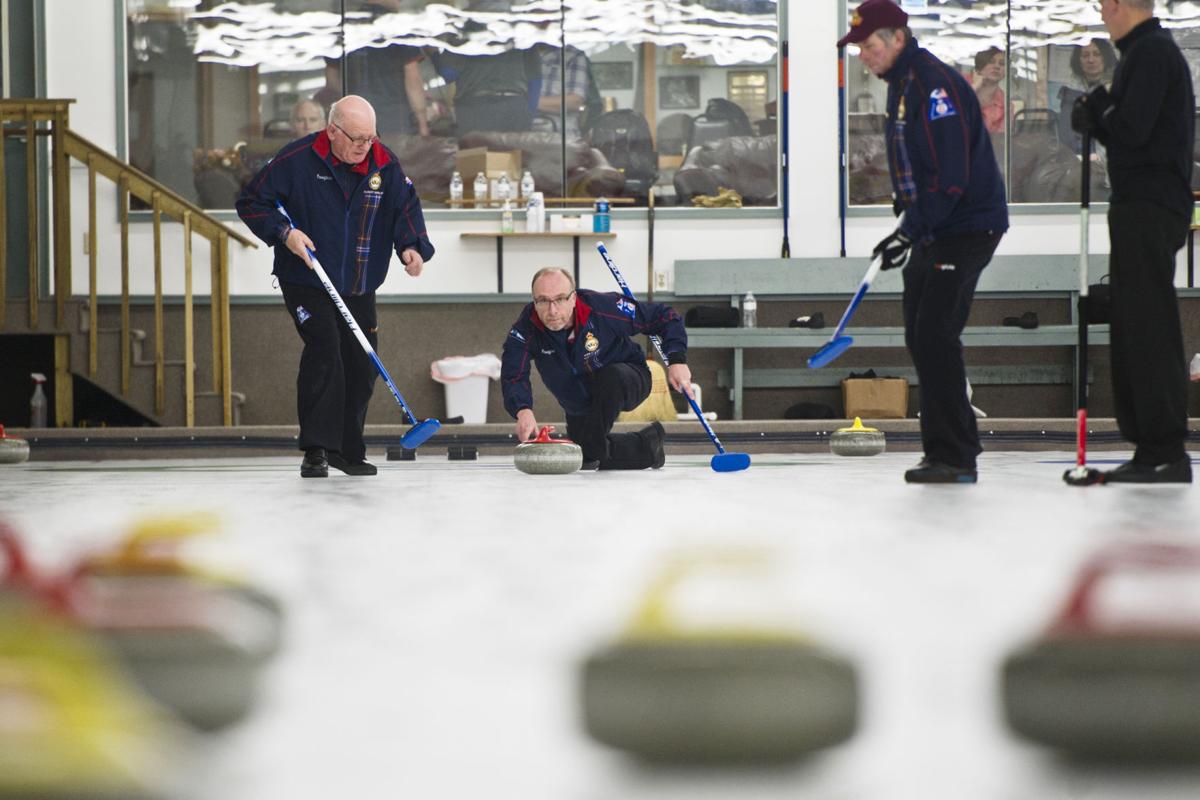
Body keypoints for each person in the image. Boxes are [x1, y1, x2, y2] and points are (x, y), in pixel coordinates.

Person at [838, 0, 1008, 484]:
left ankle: (955, 455)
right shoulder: (903, 83)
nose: (864, 56)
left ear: (897, 38)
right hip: (939, 226)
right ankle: (945, 449)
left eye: (869, 46)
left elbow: (950, 175)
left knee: (935, 333)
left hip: (966, 225)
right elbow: (919, 166)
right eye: (859, 48)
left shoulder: (932, 84)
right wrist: (907, 225)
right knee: (920, 331)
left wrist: (909, 231)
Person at [236, 95, 435, 478]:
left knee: (361, 364)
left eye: (370, 138)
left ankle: (345, 450)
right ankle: (316, 450)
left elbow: (405, 207)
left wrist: (411, 247)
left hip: (359, 281)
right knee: (325, 349)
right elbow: (252, 202)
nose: (365, 146)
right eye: (357, 138)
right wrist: (285, 233)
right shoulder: (297, 160)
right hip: (307, 278)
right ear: (332, 131)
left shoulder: (384, 163)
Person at [1070, 0, 1194, 483]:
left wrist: (1098, 108)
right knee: (1133, 325)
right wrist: (1097, 117)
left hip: (1149, 204)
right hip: (1139, 203)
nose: (1102, 12)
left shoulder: (1152, 53)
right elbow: (1129, 131)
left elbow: (1132, 129)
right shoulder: (1141, 54)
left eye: (1104, 4)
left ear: (1121, 4)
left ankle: (1164, 449)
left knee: (1148, 326)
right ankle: (1151, 447)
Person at [501, 267, 691, 470]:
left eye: (560, 299)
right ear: (534, 302)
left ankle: (595, 444)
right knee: (585, 457)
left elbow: (665, 317)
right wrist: (522, 409)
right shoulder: (526, 328)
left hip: (626, 379)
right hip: (578, 402)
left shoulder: (603, 308)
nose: (552, 310)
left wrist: (677, 360)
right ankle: (648, 446)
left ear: (573, 298)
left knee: (610, 379)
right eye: (543, 301)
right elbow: (514, 372)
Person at [1058, 38, 1118, 150]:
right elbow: (1066, 136)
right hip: (1080, 154)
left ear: (1105, 58)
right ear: (1078, 61)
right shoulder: (1071, 91)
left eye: (1097, 54)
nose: (1091, 60)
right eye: (1085, 55)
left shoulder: (1118, 86)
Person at [972, 46, 1007, 134]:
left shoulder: (1006, 105)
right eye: (991, 62)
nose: (997, 66)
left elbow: (1001, 138)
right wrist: (975, 87)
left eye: (1002, 63)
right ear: (979, 67)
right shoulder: (961, 85)